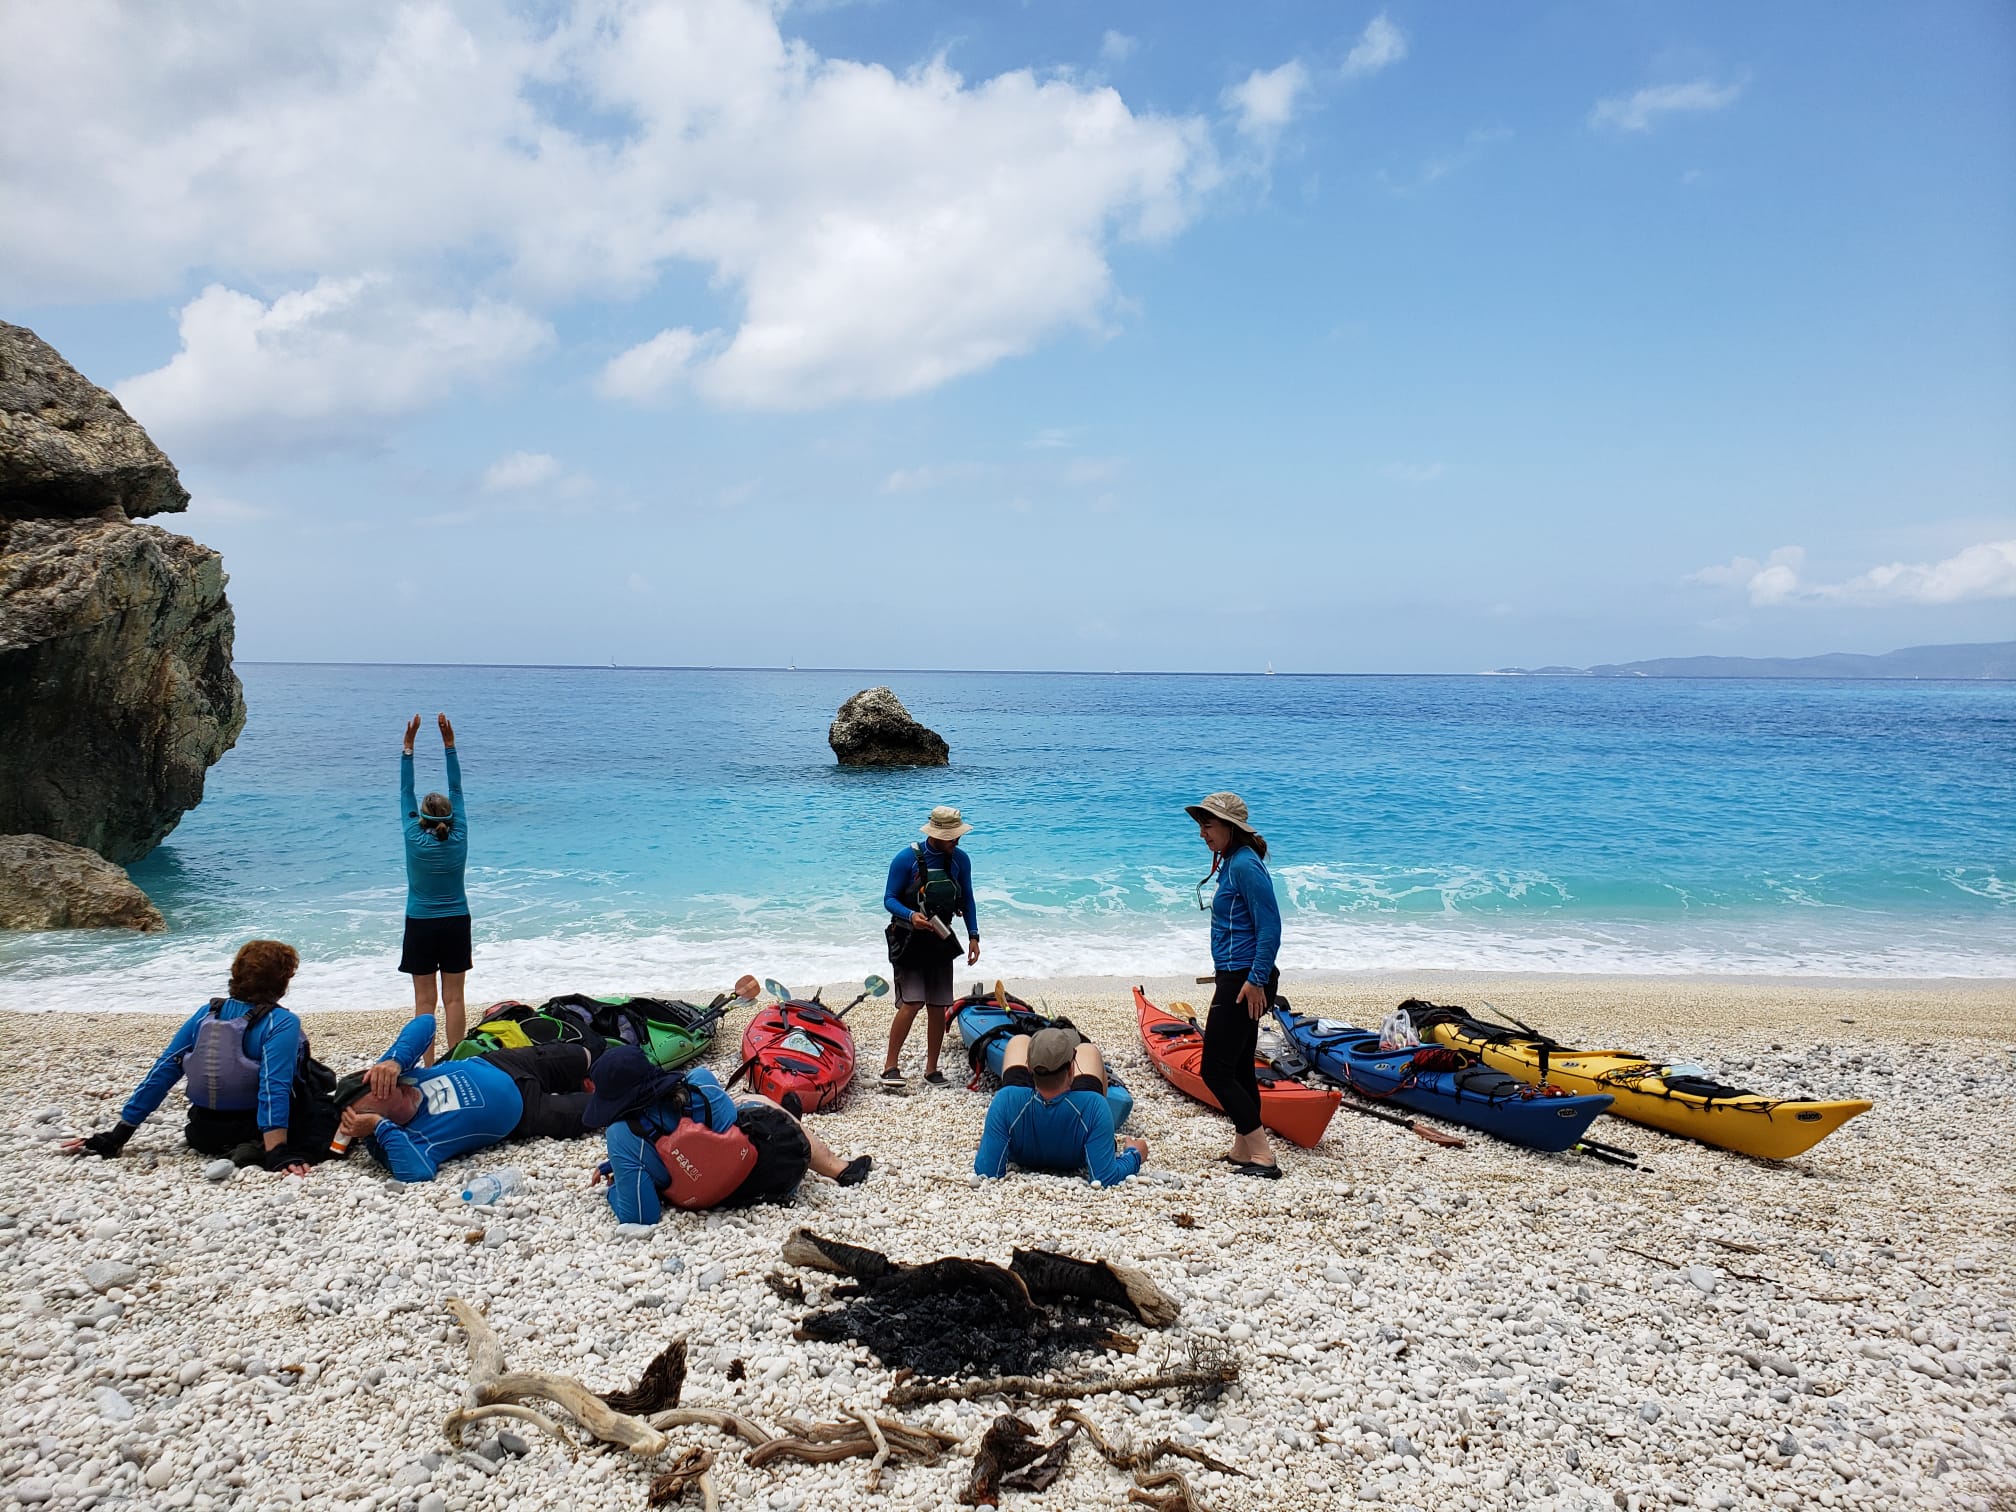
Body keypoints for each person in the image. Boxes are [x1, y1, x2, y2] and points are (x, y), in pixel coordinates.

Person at [63, 940, 330, 1174]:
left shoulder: (207, 1013)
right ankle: (259, 1148)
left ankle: (244, 1147)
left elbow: (164, 1070)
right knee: (327, 1105)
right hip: (253, 1127)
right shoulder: (281, 1022)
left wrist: (118, 1135)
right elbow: (274, 1087)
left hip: (201, 1132)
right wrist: (277, 1153)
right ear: (282, 981)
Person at [588, 1047, 872, 1223]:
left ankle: (789, 1120)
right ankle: (839, 1168)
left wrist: (617, 1186)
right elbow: (729, 1126)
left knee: (744, 1110)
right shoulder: (700, 1081)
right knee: (756, 1105)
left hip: (723, 1197)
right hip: (776, 1170)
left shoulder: (622, 1135)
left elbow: (640, 1215)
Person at [331, 1013, 596, 1182]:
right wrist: (379, 1127)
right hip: (525, 1112)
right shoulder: (402, 1139)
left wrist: (394, 1060)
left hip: (504, 1064)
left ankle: (585, 1077)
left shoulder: (399, 1073)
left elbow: (426, 1022)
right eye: (382, 1092)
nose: (392, 1086)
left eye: (387, 1082)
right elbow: (417, 1171)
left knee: (586, 1054)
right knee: (602, 1108)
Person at [1187, 791, 1283, 1178]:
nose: (1203, 834)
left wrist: (1257, 980)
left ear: (1230, 827)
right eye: (1201, 826)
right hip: (1237, 975)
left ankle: (1262, 1154)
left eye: (1208, 826)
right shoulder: (1231, 862)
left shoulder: (1245, 865)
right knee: (1240, 1066)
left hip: (1246, 979)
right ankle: (1245, 1147)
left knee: (1215, 1070)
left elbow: (1271, 926)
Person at [880, 805, 981, 1090]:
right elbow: (889, 899)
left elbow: (968, 899)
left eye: (957, 836)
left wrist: (974, 935)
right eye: (951, 837)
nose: (956, 841)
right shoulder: (906, 859)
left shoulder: (960, 860)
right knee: (912, 1002)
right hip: (909, 937)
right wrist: (912, 916)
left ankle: (932, 1069)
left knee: (938, 1005)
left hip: (940, 937)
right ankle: (890, 1067)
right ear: (935, 835)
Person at [974, 1026, 1146, 1186]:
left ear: (1028, 1067)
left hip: (1023, 1152)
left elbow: (987, 1170)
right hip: (1075, 1154)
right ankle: (1102, 1134)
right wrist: (1134, 1155)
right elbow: (1105, 1176)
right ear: (1071, 1070)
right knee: (1088, 1050)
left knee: (1019, 1041)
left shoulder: (1005, 1100)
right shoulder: (1095, 1106)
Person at [400, 712, 470, 1063]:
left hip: (421, 923)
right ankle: (455, 1063)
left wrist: (408, 748)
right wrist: (449, 746)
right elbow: (457, 788)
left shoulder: (414, 836)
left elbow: (405, 791)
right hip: (456, 920)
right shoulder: (459, 836)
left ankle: (428, 1067)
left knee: (424, 1002)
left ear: (423, 817)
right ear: (451, 816)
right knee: (454, 999)